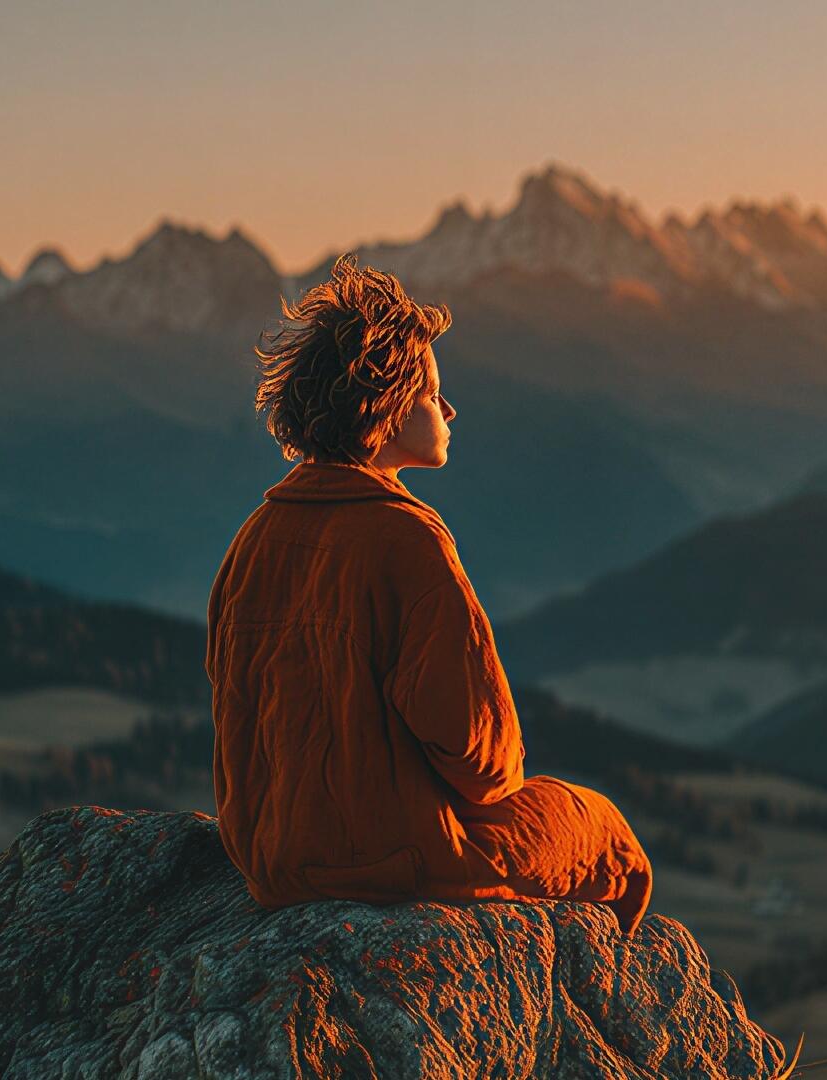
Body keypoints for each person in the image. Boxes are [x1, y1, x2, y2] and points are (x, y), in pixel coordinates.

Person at [205, 253, 653, 935]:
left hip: (267, 862)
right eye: (430, 392)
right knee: (603, 834)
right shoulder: (405, 540)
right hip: (391, 863)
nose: (448, 408)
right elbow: (479, 757)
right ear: (383, 407)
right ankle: (598, 1007)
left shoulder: (252, 541)